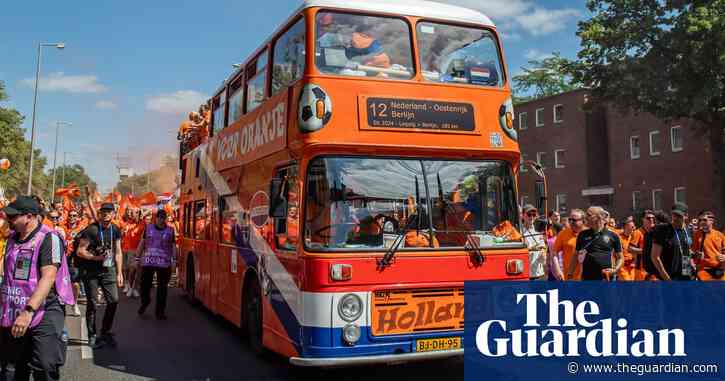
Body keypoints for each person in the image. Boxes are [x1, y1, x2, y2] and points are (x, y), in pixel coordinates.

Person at [0, 196, 74, 381]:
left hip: (44, 308)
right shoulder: (11, 238)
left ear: (29, 217)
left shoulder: (50, 238)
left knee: (44, 365)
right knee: (11, 368)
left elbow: (48, 276)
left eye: (13, 217)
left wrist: (28, 311)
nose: (9, 220)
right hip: (13, 307)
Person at [75, 203, 123, 348]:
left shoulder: (115, 229)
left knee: (113, 300)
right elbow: (80, 251)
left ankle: (105, 331)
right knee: (93, 303)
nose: (106, 214)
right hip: (91, 271)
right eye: (103, 212)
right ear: (100, 213)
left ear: (114, 214)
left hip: (108, 270)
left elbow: (118, 251)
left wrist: (120, 272)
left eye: (109, 212)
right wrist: (96, 258)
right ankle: (92, 335)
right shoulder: (92, 230)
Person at [136, 210, 177, 320]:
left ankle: (160, 312)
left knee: (162, 289)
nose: (161, 220)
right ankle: (145, 302)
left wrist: (174, 260)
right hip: (148, 261)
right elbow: (142, 243)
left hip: (164, 263)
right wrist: (137, 258)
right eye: (159, 217)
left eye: (163, 218)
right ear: (156, 218)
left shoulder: (170, 230)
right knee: (144, 286)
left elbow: (173, 246)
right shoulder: (148, 228)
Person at [568, 206, 623, 281]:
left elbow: (620, 258)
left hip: (606, 279)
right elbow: (575, 256)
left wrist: (615, 270)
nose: (585, 218)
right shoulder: (582, 234)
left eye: (589, 215)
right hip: (587, 279)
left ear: (599, 217)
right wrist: (570, 275)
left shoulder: (613, 235)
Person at [650, 203, 695, 281]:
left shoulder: (687, 231)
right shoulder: (662, 230)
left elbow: (686, 252)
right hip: (668, 278)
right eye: (674, 215)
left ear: (686, 216)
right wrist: (667, 279)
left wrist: (689, 272)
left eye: (679, 216)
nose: (675, 218)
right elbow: (654, 257)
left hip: (685, 277)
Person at [691, 211, 725, 281]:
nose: (702, 222)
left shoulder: (720, 235)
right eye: (700, 220)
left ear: (712, 221)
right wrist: (697, 255)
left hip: (719, 270)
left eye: (704, 220)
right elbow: (692, 253)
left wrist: (724, 257)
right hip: (703, 270)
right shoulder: (696, 235)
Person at [554, 209, 587, 280]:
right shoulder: (563, 234)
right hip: (569, 277)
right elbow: (554, 253)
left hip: (587, 277)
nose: (571, 222)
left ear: (583, 221)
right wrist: (558, 270)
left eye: (574, 220)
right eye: (570, 220)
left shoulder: (589, 233)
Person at [521, 205, 546, 280]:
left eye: (534, 215)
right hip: (525, 274)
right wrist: (531, 249)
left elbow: (543, 253)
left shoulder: (538, 233)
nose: (531, 217)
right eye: (529, 214)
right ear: (523, 215)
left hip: (538, 274)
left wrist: (543, 252)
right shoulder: (518, 232)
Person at [628, 210, 655, 280]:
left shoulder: (656, 231)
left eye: (653, 218)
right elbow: (630, 248)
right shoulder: (637, 232)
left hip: (655, 268)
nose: (651, 220)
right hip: (641, 270)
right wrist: (646, 251)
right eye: (648, 218)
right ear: (643, 219)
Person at [617, 216, 637, 281]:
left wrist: (634, 262)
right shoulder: (618, 237)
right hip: (622, 266)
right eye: (632, 227)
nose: (634, 229)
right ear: (626, 226)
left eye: (634, 227)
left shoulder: (633, 238)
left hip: (632, 266)